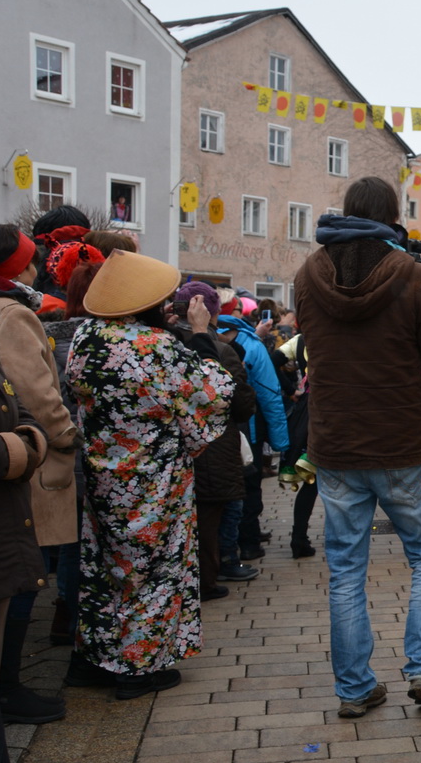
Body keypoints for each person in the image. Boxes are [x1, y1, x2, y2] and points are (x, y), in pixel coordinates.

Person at [294, 180, 421, 720]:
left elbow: (312, 349)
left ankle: (355, 688)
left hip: (337, 441)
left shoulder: (308, 275)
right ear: (392, 218)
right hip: (401, 439)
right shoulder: (414, 277)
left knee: (345, 570)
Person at [66, 252, 234, 700]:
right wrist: (201, 334)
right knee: (154, 567)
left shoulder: (86, 337)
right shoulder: (156, 347)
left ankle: (93, 659)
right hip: (154, 476)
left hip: (103, 471)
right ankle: (137, 668)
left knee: (105, 566)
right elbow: (211, 392)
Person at [0, 224, 80, 718]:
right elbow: (36, 392)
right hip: (30, 459)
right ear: (20, 268)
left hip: (12, 455)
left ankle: (2, 685)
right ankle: (6, 687)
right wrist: (66, 436)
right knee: (19, 578)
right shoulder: (11, 315)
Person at [175, 282, 256, 600]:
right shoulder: (221, 350)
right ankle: (205, 582)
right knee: (208, 518)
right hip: (213, 445)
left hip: (173, 448)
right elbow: (240, 403)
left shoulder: (162, 343)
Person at [215, 288, 288, 562]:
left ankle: (224, 549)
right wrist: (281, 442)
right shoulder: (251, 343)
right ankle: (247, 543)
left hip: (204, 433)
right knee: (248, 485)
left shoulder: (190, 339)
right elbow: (270, 396)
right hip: (248, 430)